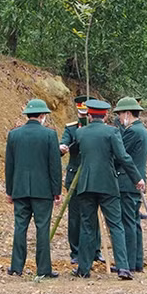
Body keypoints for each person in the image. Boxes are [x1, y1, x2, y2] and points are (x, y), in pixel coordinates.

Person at [73, 99, 145, 280]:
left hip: (86, 185)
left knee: (88, 226)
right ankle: (123, 267)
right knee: (116, 225)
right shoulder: (112, 132)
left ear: (89, 115)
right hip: (108, 185)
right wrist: (137, 178)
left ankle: (83, 268)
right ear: (105, 116)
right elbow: (123, 157)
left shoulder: (80, 133)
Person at [5, 99, 61, 277]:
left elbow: (9, 165)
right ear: (43, 115)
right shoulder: (50, 135)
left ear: (27, 115)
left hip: (20, 188)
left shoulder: (14, 135)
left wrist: (9, 190)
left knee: (20, 227)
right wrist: (56, 191)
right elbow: (54, 166)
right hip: (43, 190)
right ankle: (44, 269)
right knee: (42, 228)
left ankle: (16, 267)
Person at [113, 97, 147, 273]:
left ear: (127, 113)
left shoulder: (132, 132)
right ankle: (136, 262)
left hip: (127, 182)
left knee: (127, 222)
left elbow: (121, 156)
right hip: (135, 181)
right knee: (134, 222)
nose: (119, 118)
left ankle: (127, 262)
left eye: (120, 114)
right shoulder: (140, 130)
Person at [59, 95, 91, 264]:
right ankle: (76, 252)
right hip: (74, 176)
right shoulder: (71, 129)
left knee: (94, 215)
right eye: (81, 112)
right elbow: (63, 144)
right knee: (75, 216)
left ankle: (95, 250)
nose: (84, 115)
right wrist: (62, 148)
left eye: (86, 112)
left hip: (91, 175)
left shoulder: (96, 127)